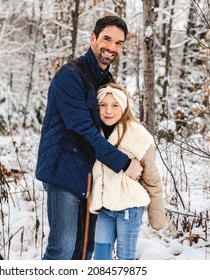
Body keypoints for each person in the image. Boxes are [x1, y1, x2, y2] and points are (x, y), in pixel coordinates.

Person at [36, 15, 144, 260]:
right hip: (63, 173)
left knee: (85, 251)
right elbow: (81, 131)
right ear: (93, 38)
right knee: (61, 249)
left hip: (92, 178)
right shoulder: (70, 76)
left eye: (119, 43)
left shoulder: (108, 83)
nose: (112, 47)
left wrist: (140, 152)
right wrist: (124, 164)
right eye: (107, 39)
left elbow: (118, 127)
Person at [89, 83, 167, 260]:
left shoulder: (137, 134)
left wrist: (156, 215)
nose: (108, 110)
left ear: (123, 107)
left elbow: (151, 178)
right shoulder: (93, 132)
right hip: (104, 207)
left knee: (125, 257)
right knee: (101, 256)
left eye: (115, 105)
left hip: (129, 207)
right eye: (103, 105)